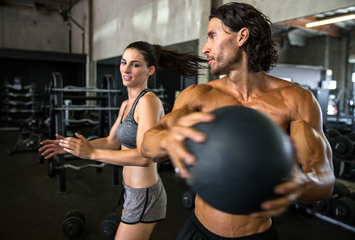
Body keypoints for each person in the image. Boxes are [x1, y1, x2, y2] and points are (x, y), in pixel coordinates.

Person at [141, 2, 335, 240]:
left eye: (212, 36)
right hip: (199, 232)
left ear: (242, 36)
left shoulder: (296, 100)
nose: (205, 48)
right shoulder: (198, 96)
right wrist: (167, 138)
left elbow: (324, 176)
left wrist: (301, 183)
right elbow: (148, 145)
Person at [39, 41, 206, 240]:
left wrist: (91, 154)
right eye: (123, 62)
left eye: (135, 64)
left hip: (144, 193)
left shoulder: (148, 102)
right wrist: (70, 146)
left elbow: (145, 157)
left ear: (150, 70)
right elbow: (111, 141)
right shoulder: (127, 104)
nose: (126, 69)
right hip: (131, 190)